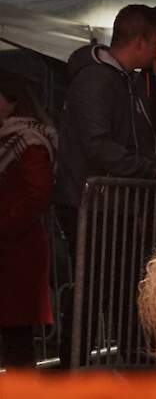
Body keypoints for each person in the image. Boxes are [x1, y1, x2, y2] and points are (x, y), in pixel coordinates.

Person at [52, 4, 156, 366]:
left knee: (118, 289)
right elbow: (97, 145)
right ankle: (75, 369)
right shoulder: (97, 80)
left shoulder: (122, 80)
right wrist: (153, 171)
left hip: (111, 205)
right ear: (142, 42)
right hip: (93, 205)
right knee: (95, 291)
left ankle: (123, 366)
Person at [0, 75, 57, 370]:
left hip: (17, 248)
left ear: (11, 102)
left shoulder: (28, 142)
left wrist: (5, 223)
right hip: (13, 245)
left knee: (17, 338)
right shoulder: (11, 139)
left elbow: (37, 194)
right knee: (13, 337)